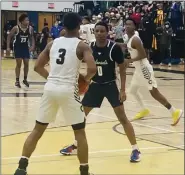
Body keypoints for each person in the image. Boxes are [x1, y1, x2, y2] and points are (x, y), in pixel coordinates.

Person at [13, 12, 97, 175]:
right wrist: (84, 81)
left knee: (37, 130)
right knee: (79, 131)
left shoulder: (53, 43)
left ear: (63, 26)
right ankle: (84, 171)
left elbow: (38, 66)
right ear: (79, 26)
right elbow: (92, 69)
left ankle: (21, 167)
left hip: (50, 88)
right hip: (68, 89)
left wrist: (51, 78)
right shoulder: (82, 45)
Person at [60, 21, 141, 163]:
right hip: (94, 86)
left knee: (122, 118)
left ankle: (135, 149)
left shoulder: (114, 48)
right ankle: (76, 144)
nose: (99, 34)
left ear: (107, 32)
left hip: (110, 86)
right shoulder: (89, 47)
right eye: (97, 31)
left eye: (102, 31)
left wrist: (122, 89)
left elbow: (122, 69)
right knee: (80, 116)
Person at [124, 18, 183, 125]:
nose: (127, 26)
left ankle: (174, 111)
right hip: (138, 70)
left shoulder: (135, 39)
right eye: (126, 24)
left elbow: (143, 55)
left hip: (144, 69)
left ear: (134, 27)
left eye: (130, 24)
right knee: (132, 90)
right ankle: (143, 109)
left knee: (154, 93)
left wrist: (129, 60)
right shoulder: (130, 38)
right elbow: (128, 47)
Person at [7, 14, 35, 88]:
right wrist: (8, 47)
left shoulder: (30, 28)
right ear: (22, 21)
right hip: (18, 47)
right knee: (19, 64)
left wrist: (32, 45)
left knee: (26, 63)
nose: (28, 21)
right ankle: (17, 81)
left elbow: (32, 37)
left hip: (25, 47)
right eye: (26, 20)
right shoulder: (16, 28)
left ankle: (25, 79)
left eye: (28, 20)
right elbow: (9, 36)